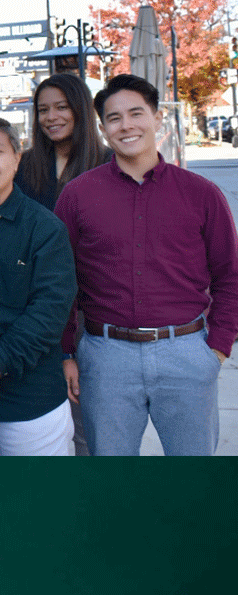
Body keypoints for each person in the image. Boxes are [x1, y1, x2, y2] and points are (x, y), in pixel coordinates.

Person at [55, 74, 238, 455]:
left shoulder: (202, 194)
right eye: (115, 118)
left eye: (136, 113)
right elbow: (61, 280)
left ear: (158, 119)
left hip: (187, 352)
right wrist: (66, 352)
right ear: (103, 129)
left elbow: (230, 276)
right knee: (115, 482)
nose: (127, 125)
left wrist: (217, 347)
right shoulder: (77, 196)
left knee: (191, 482)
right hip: (106, 358)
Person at [0, 115, 78, 456]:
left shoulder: (45, 228)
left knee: (35, 503)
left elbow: (49, 312)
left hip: (31, 400)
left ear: (17, 156)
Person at [16, 73, 110, 211]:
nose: (51, 117)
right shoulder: (23, 164)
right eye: (43, 110)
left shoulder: (110, 163)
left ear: (81, 109)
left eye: (61, 107)